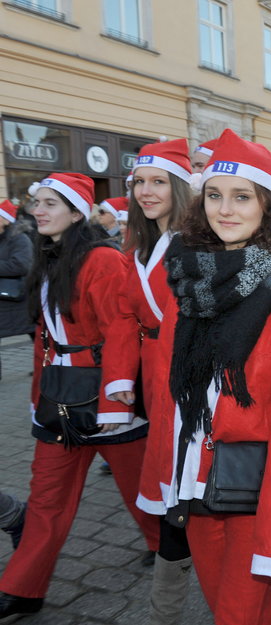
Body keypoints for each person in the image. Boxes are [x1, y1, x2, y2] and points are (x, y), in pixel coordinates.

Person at [156, 129, 271, 625]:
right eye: (214, 195)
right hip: (194, 470)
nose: (225, 209)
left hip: (258, 477)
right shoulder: (188, 270)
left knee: (238, 611)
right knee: (241, 602)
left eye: (241, 197)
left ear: (268, 204)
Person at [0, 173, 159, 619]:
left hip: (107, 395)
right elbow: (44, 339)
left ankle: (164, 544)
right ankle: (22, 589)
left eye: (51, 203)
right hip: (59, 396)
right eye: (36, 203)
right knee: (47, 495)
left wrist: (116, 402)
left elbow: (121, 333)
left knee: (138, 488)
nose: (38, 211)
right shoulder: (49, 255)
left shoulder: (102, 260)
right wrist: (36, 398)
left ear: (76, 212)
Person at [102, 138, 196, 625]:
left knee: (193, 491)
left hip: (193, 378)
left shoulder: (199, 240)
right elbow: (122, 315)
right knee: (172, 493)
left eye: (158, 181)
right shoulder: (135, 245)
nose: (145, 191)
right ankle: (166, 609)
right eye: (139, 182)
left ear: (179, 187)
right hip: (155, 375)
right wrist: (119, 379)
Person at [0, 200, 34, 381]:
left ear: (5, 220)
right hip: (3, 299)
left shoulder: (20, 238)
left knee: (35, 333)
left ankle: (44, 367)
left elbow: (21, 265)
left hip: (17, 299)